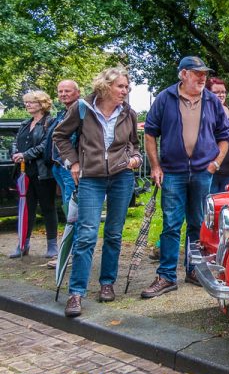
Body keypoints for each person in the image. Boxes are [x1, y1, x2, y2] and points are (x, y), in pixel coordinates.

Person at [53, 66, 142, 318]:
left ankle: (107, 283)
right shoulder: (82, 108)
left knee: (113, 233)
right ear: (105, 86)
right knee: (86, 235)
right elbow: (59, 136)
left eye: (127, 87)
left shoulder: (129, 113)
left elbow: (133, 144)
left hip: (121, 177)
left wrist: (134, 158)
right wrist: (74, 162)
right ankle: (76, 292)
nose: (125, 91)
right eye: (120, 86)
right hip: (91, 178)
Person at [141, 56, 229, 298]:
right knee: (171, 223)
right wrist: (155, 166)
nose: (202, 77)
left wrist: (215, 163)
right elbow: (150, 133)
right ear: (183, 74)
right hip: (172, 172)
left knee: (198, 223)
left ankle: (194, 271)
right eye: (197, 73)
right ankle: (166, 276)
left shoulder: (211, 101)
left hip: (203, 172)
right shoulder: (165, 98)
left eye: (204, 73)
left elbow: (225, 136)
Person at [10, 91, 58, 258]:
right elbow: (16, 142)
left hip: (43, 173)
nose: (27, 105)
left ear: (42, 103)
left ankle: (52, 246)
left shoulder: (50, 122)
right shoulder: (25, 123)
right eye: (26, 102)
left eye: (31, 102)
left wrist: (26, 154)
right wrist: (16, 153)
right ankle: (23, 243)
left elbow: (46, 145)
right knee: (26, 209)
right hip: (24, 173)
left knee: (48, 208)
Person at [45, 79, 81, 269]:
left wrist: (74, 163)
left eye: (67, 91)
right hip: (59, 167)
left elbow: (73, 140)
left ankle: (72, 254)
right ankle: (69, 251)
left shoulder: (80, 111)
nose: (63, 94)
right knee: (68, 210)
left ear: (77, 92)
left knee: (73, 212)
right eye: (60, 91)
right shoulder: (62, 113)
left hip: (71, 168)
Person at [206, 77, 229, 193]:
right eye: (216, 92)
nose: (220, 95)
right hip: (210, 171)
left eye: (223, 92)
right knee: (209, 209)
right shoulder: (202, 113)